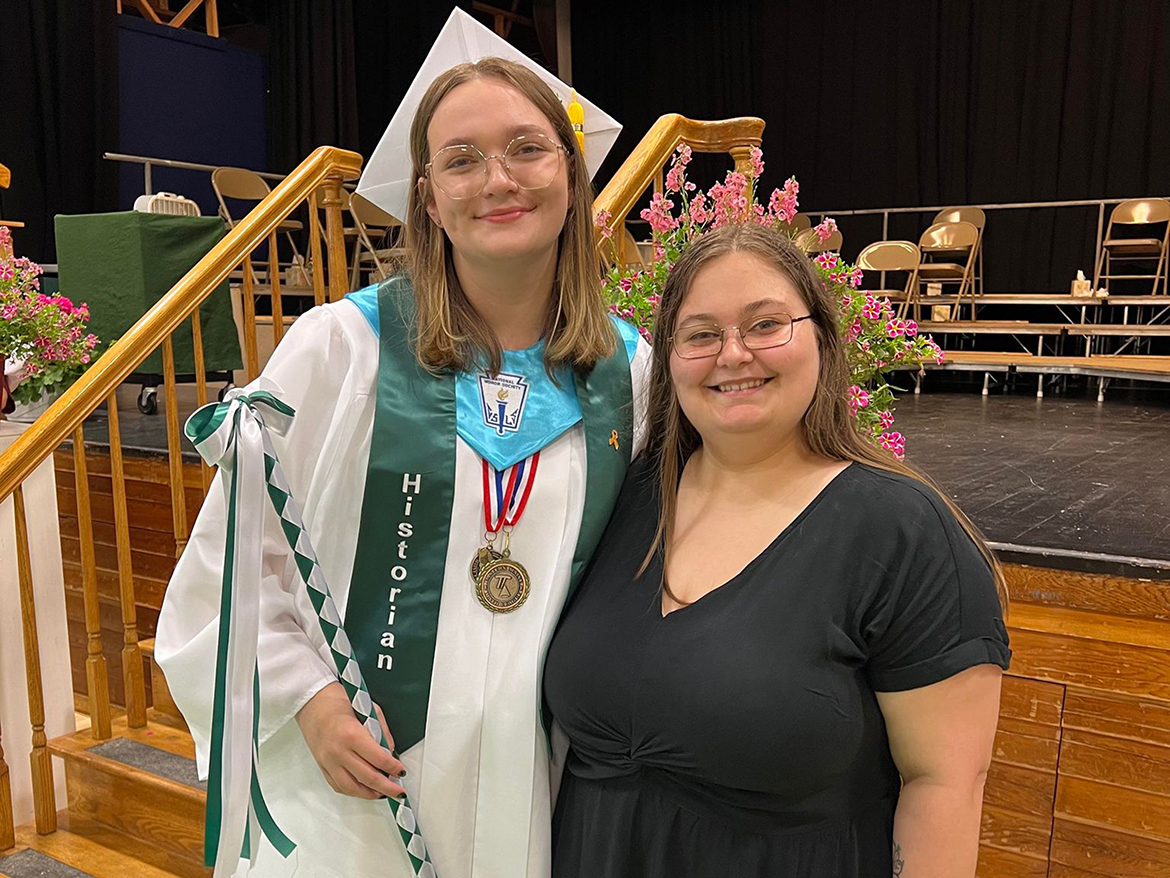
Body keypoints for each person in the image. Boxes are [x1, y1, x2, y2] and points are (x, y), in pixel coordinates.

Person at [156, 26, 649, 878]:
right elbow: (235, 560)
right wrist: (309, 702)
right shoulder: (341, 349)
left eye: (528, 149)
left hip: (545, 779)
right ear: (427, 198)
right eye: (461, 160)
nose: (498, 179)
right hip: (360, 776)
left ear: (572, 176)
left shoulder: (629, 371)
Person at [544, 222, 1011, 878]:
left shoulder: (901, 532)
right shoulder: (626, 494)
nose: (733, 354)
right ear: (669, 357)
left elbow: (944, 784)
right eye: (701, 334)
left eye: (766, 325)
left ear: (821, 337)